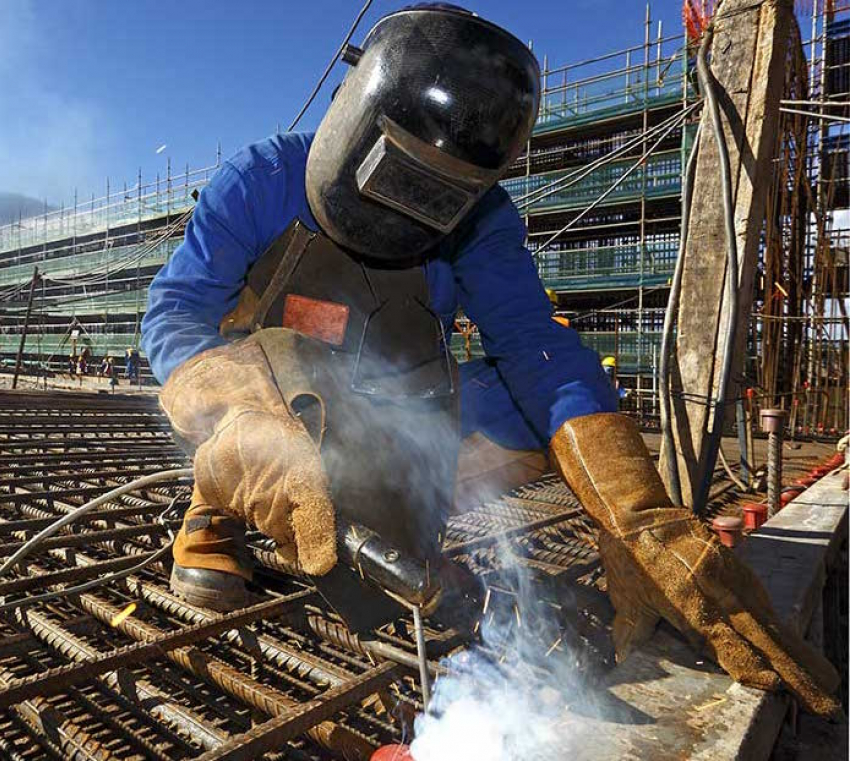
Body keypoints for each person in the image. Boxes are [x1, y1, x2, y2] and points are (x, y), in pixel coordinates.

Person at [141, 4, 838, 716]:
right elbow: (174, 315)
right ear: (355, 122)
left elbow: (537, 347)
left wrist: (634, 513)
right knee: (263, 358)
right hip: (280, 406)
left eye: (436, 195)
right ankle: (215, 508)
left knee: (543, 408)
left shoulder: (482, 216)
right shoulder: (260, 179)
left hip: (396, 411)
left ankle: (394, 512)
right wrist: (238, 424)